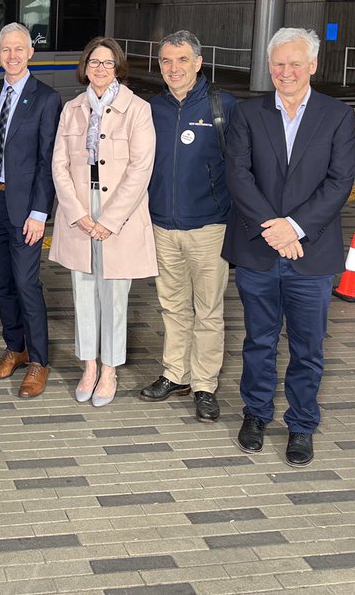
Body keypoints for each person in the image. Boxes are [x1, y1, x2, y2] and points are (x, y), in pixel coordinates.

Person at [224, 27, 355, 467]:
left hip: (311, 254)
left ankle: (301, 425)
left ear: (313, 66)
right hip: (260, 251)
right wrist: (273, 229)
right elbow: (239, 175)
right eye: (278, 63)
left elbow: (340, 182)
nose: (286, 72)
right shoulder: (248, 113)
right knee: (258, 340)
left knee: (308, 347)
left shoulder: (337, 115)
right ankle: (256, 414)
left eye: (295, 63)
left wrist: (295, 228)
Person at [50, 37, 156, 407]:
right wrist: (78, 213)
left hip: (119, 211)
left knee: (114, 294)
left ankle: (110, 369)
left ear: (118, 68)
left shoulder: (138, 109)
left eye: (107, 63)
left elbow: (141, 169)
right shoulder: (73, 108)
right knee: (82, 291)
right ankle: (89, 366)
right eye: (93, 62)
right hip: (79, 207)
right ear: (85, 66)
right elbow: (59, 164)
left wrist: (109, 219)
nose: (99, 68)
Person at [139, 31, 236, 422]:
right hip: (162, 226)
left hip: (210, 227)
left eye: (182, 60)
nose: (173, 68)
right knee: (172, 305)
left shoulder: (223, 106)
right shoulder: (151, 109)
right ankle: (175, 373)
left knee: (208, 310)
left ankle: (205, 385)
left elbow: (243, 168)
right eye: (166, 61)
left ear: (199, 62)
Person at [0, 23, 61, 398]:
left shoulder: (46, 98)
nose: (12, 56)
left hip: (26, 208)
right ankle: (16, 348)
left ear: (30, 53)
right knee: (3, 283)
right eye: (5, 50)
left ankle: (39, 361)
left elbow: (48, 162)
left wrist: (39, 213)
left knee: (27, 283)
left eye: (19, 49)